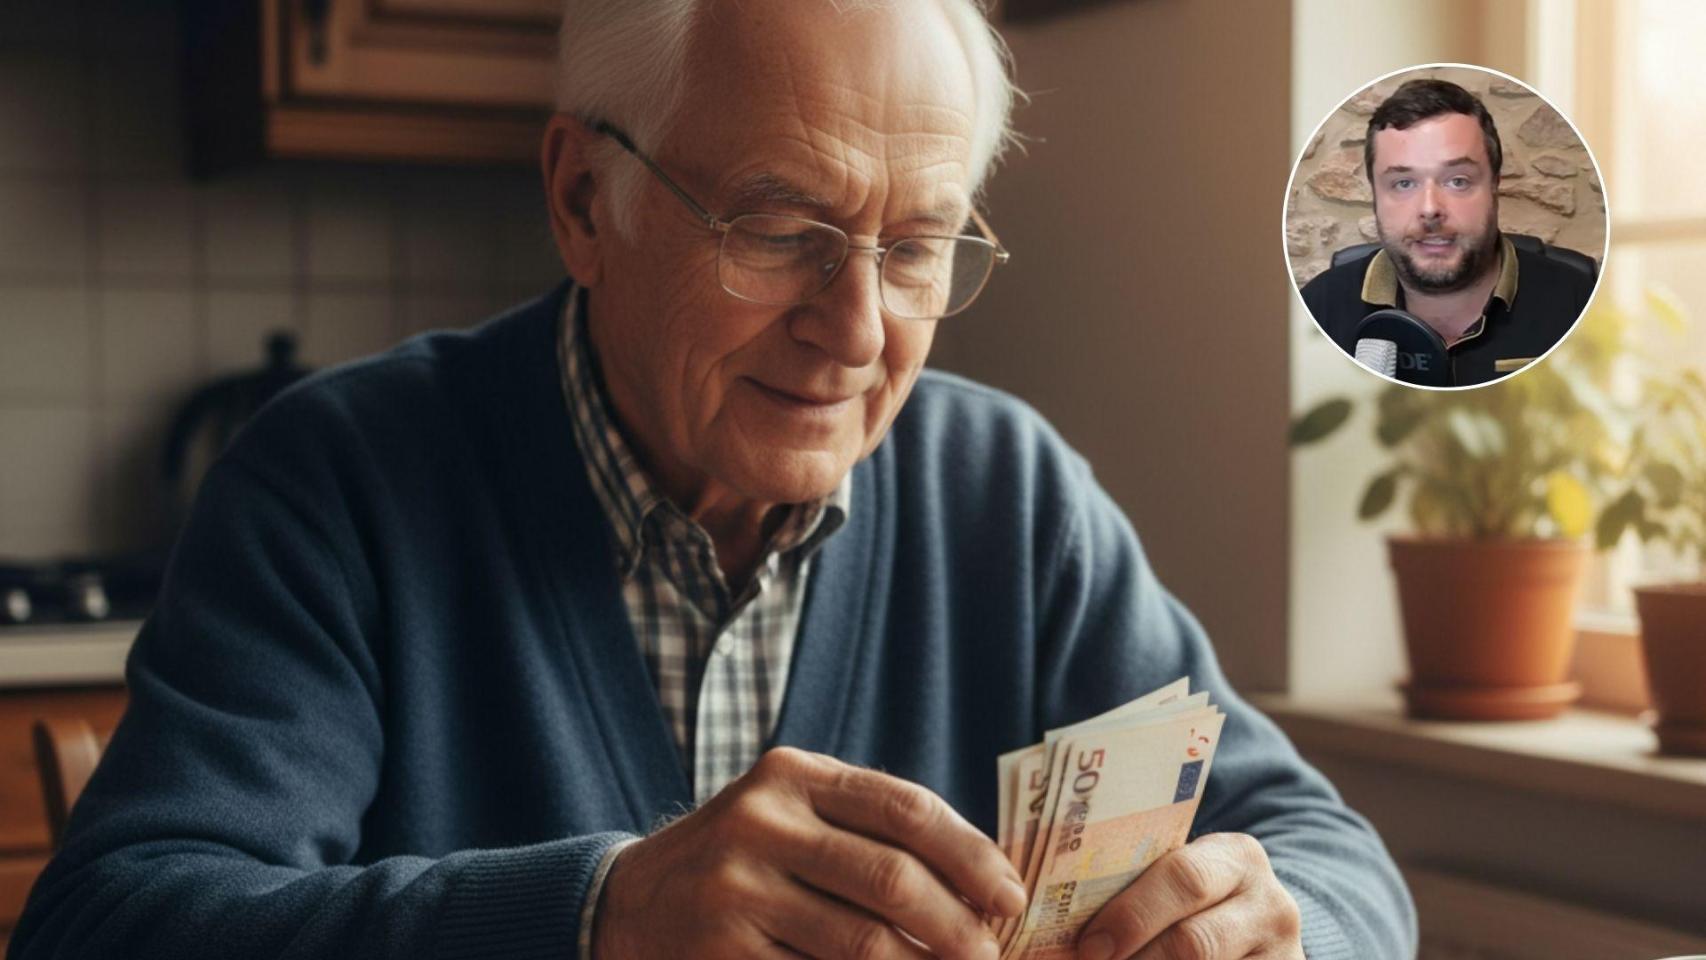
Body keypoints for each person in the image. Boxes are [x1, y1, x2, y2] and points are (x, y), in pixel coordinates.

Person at [12, 2, 1416, 958]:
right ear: (582, 202)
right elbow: (108, 925)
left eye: (914, 247)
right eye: (779, 226)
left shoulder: (1010, 494)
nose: (856, 332)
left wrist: (1266, 921)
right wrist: (594, 917)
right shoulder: (341, 483)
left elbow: (1334, 861)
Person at [1301, 78, 1597, 386]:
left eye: (1457, 181)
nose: (1430, 209)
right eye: (1404, 183)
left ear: (1494, 186)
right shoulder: (1317, 312)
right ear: (1375, 195)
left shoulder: (1581, 306)